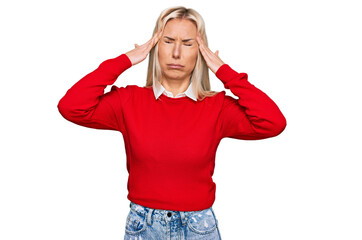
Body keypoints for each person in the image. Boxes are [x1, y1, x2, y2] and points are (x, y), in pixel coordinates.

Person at [57, 5, 287, 240]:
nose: (176, 52)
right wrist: (125, 60)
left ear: (200, 51)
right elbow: (71, 106)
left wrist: (223, 70)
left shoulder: (217, 107)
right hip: (143, 227)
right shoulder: (128, 101)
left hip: (199, 227)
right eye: (168, 41)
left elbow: (273, 122)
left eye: (188, 44)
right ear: (155, 46)